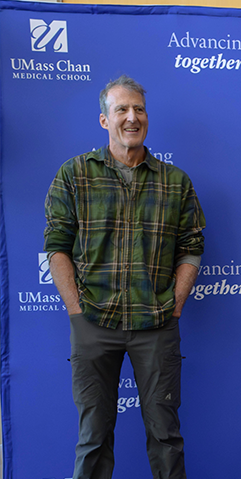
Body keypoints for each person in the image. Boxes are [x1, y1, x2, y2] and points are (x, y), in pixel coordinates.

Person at [44, 75, 206, 479]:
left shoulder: (176, 182)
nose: (132, 117)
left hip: (156, 324)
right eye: (122, 110)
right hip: (93, 322)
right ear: (104, 120)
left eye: (139, 109)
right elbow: (57, 246)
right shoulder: (75, 174)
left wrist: (176, 307)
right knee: (93, 438)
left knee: (166, 438)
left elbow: (191, 248)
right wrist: (77, 313)